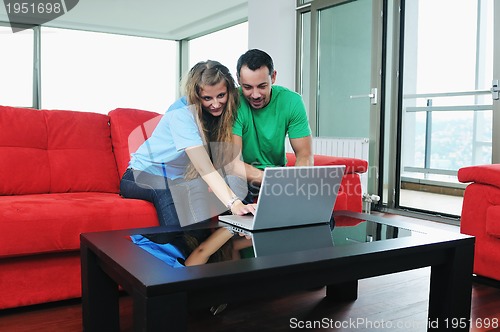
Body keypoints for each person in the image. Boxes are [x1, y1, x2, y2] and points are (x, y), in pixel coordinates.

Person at [120, 60, 255, 227]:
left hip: (180, 179)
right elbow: (203, 166)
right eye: (207, 98)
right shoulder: (181, 113)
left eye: (221, 95)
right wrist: (234, 203)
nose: (215, 104)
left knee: (200, 226)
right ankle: (161, 249)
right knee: (167, 190)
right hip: (139, 174)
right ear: (196, 95)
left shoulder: (224, 112)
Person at [232, 49, 314, 201]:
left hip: (276, 174)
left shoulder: (292, 101)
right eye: (248, 87)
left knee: (319, 205)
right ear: (238, 80)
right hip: (244, 176)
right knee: (234, 184)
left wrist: (299, 181)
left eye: (262, 86)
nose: (255, 95)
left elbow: (304, 154)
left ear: (273, 77)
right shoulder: (233, 102)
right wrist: (274, 182)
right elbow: (232, 164)